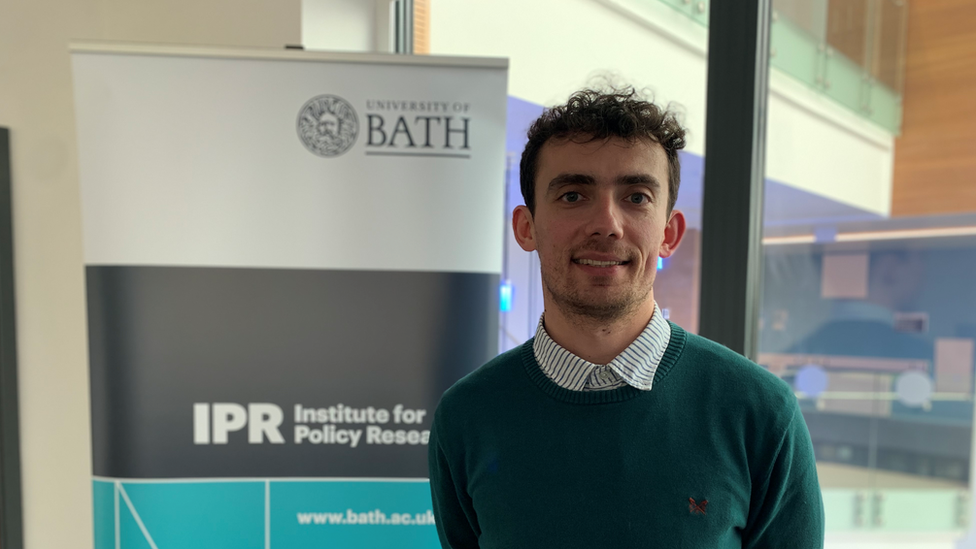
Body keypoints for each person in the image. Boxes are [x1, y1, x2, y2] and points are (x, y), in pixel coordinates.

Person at [428, 88, 824, 548]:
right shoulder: (468, 416)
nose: (607, 224)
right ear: (526, 227)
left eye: (636, 197)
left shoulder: (759, 412)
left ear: (669, 233)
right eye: (574, 195)